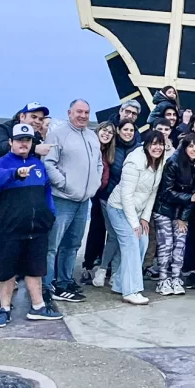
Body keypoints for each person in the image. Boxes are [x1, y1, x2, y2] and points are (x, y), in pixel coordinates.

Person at [0, 124, 63, 327]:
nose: (24, 144)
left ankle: (38, 307)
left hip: (36, 229)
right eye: (20, 140)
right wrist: (15, 173)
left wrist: (50, 215)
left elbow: (47, 192)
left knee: (35, 270)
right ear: (11, 142)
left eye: (28, 140)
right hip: (9, 231)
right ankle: (4, 310)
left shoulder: (38, 165)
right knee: (6, 272)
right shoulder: (1, 164)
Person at [0, 102, 52, 310]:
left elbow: (42, 182)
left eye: (40, 119)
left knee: (3, 255)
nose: (37, 121)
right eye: (33, 117)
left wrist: (49, 215)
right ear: (22, 116)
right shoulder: (1, 131)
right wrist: (23, 145)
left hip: (14, 207)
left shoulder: (36, 137)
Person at [43, 99, 103, 304]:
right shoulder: (57, 134)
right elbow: (48, 164)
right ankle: (46, 286)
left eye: (86, 112)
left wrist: (94, 185)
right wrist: (64, 184)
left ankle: (64, 282)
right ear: (69, 112)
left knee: (73, 245)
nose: (83, 116)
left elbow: (99, 164)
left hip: (83, 201)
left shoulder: (92, 136)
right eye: (79, 111)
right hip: (63, 200)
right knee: (53, 245)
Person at [107, 130, 166, 305]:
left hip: (138, 211)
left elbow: (152, 192)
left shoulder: (159, 162)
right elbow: (126, 196)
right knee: (132, 242)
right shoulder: (134, 162)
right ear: (146, 145)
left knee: (143, 242)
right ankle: (131, 290)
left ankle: (119, 283)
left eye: (160, 144)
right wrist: (134, 224)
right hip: (118, 208)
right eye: (154, 144)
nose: (157, 147)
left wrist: (144, 219)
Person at [152, 133, 195, 296]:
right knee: (166, 244)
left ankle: (175, 278)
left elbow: (194, 195)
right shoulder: (172, 163)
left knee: (180, 244)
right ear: (184, 147)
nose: (194, 149)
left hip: (182, 211)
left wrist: (182, 218)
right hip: (164, 210)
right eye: (190, 146)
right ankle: (163, 279)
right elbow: (166, 193)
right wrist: (188, 199)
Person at [92, 120, 139, 289]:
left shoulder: (138, 150)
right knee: (114, 234)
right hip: (108, 198)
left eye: (131, 130)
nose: (128, 132)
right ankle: (103, 270)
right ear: (119, 131)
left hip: (130, 200)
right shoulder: (112, 148)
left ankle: (117, 272)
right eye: (125, 129)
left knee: (124, 236)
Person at [81, 121, 116, 284]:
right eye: (104, 130)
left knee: (103, 229)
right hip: (89, 193)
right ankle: (88, 265)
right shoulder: (89, 147)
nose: (106, 134)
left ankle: (97, 263)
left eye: (110, 132)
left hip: (102, 193)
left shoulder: (108, 152)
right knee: (96, 228)